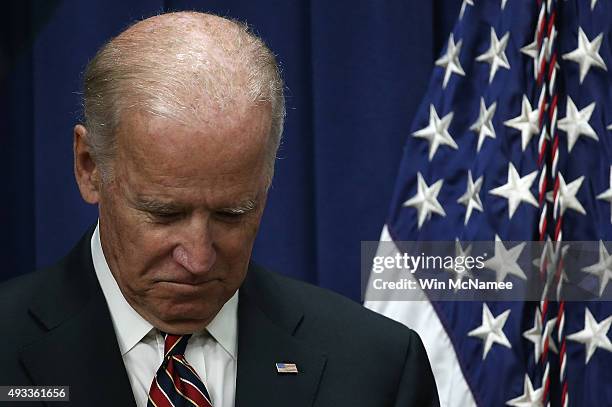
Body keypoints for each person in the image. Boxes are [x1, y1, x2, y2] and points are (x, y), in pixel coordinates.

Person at [0, 11, 439, 407]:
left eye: (232, 214)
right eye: (164, 213)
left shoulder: (378, 367)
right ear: (89, 167)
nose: (198, 258)